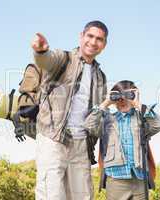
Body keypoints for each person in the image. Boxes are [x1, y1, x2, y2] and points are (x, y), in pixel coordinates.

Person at [31, 21, 108, 200]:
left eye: (99, 39)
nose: (93, 42)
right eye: (90, 36)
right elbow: (46, 60)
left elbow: (97, 113)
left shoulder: (100, 76)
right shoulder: (63, 59)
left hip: (81, 143)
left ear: (104, 45)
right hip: (53, 138)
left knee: (83, 196)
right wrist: (40, 51)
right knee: (52, 193)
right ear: (81, 36)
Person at [97, 80, 160, 200]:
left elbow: (159, 124)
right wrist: (105, 103)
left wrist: (138, 104)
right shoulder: (107, 121)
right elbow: (89, 127)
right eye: (118, 97)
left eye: (127, 96)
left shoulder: (142, 119)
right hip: (115, 178)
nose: (122, 101)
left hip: (139, 177)